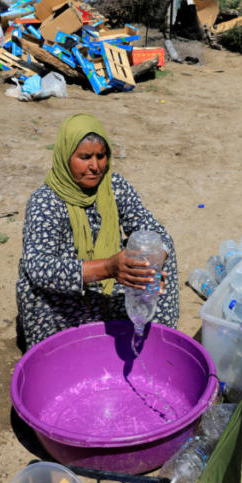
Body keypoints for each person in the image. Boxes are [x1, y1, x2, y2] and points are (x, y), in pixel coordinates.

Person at [16, 113, 179, 349]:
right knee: (32, 284)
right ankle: (55, 353)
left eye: (100, 156)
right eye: (84, 157)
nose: (95, 166)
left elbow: (152, 229)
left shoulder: (114, 186)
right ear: (65, 157)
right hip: (67, 293)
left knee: (162, 250)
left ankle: (155, 344)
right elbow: (40, 267)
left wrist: (150, 264)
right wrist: (107, 268)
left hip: (111, 283)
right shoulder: (45, 201)